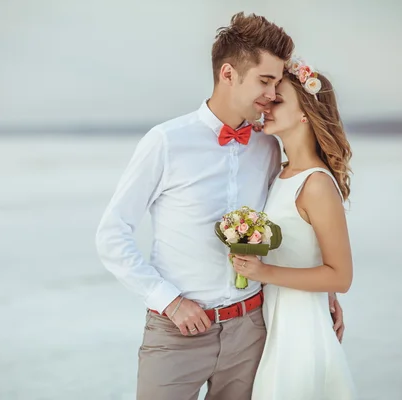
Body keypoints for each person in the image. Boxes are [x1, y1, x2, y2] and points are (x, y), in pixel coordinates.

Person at [95, 13, 345, 400]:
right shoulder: (165, 142)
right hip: (177, 332)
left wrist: (321, 292)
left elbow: (289, 226)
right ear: (228, 74)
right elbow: (112, 234)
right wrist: (170, 302)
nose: (272, 93)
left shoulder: (267, 147)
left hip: (253, 330)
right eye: (265, 81)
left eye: (277, 83)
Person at [231, 57, 356, 399]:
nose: (268, 104)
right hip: (277, 326)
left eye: (279, 99)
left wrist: (263, 271)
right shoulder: (282, 173)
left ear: (305, 114)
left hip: (301, 333)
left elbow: (341, 276)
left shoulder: (316, 184)